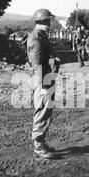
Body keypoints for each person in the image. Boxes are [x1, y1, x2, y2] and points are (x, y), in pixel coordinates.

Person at [26, 8, 61, 159]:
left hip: (46, 78)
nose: (49, 24)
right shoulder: (36, 39)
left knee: (46, 110)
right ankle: (38, 145)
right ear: (39, 22)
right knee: (42, 110)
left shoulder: (42, 36)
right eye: (47, 21)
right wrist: (43, 87)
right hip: (42, 81)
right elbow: (37, 64)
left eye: (49, 21)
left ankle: (41, 142)